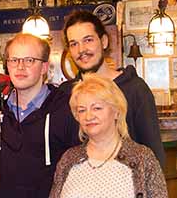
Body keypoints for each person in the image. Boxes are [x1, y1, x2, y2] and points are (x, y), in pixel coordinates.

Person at [59, 11, 166, 167]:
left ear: (103, 41)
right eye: (74, 44)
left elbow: (154, 155)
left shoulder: (135, 89)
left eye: (88, 40)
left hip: (128, 187)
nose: (81, 49)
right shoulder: (65, 93)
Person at [49, 74, 167, 198]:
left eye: (97, 108)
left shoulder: (142, 158)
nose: (88, 116)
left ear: (116, 111)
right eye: (82, 110)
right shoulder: (68, 159)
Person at [0, 34, 80, 198]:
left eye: (29, 60)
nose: (20, 67)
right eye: (14, 60)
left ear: (44, 67)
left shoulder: (67, 109)